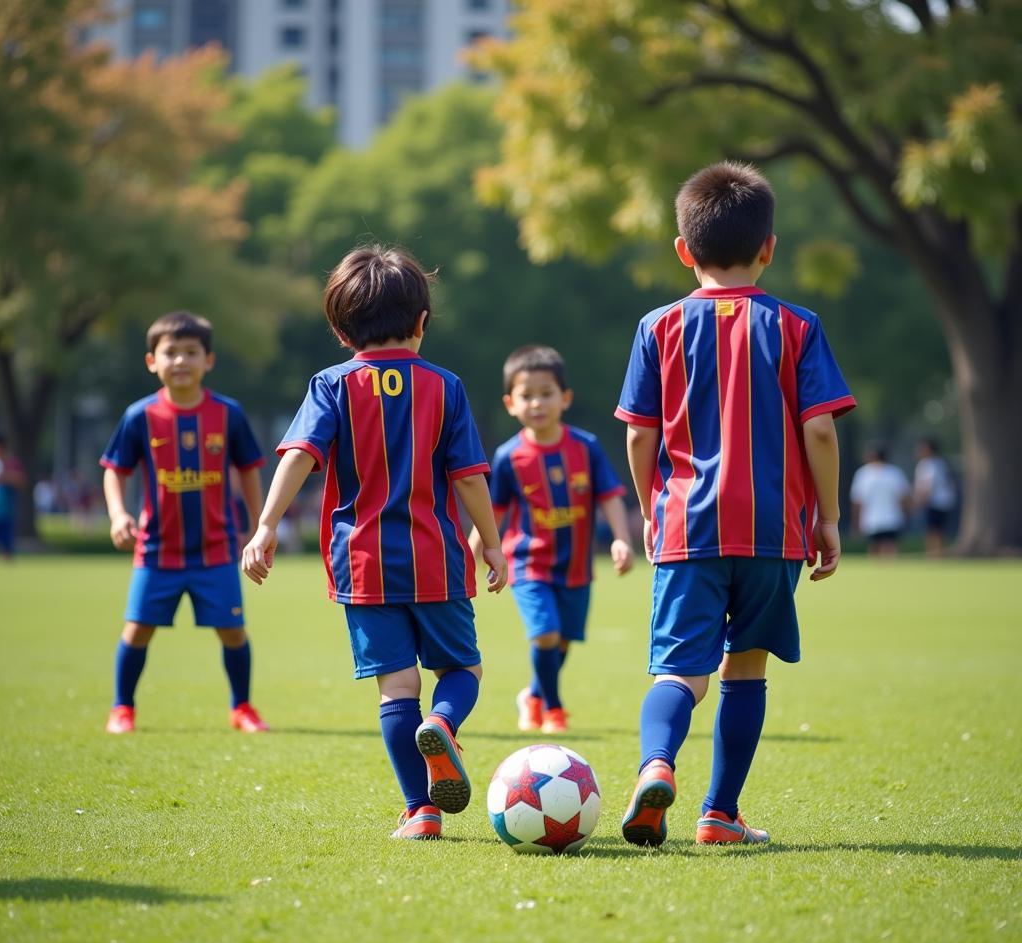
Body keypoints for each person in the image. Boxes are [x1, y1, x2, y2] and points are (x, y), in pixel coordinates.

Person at [614, 162, 856, 848]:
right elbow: (818, 427)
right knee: (745, 665)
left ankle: (657, 764)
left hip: (687, 525)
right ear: (769, 248)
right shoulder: (798, 325)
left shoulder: (656, 326)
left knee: (679, 670)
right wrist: (830, 519)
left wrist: (649, 507)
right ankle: (719, 814)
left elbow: (639, 432)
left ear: (684, 251)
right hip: (773, 530)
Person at [242, 244, 508, 841]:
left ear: (340, 329)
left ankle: (422, 812)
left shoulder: (331, 384)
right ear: (421, 322)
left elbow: (298, 457)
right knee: (463, 669)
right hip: (436, 558)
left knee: (396, 688)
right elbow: (468, 477)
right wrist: (490, 543)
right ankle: (443, 722)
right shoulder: (446, 387)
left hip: (361, 564)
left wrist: (264, 526)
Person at [100, 311, 268, 734]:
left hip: (216, 549)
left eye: (191, 352)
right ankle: (123, 709)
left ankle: (242, 708)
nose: (180, 361)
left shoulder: (229, 414)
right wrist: (118, 514)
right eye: (169, 352)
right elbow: (114, 470)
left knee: (232, 631)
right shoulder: (139, 416)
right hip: (157, 550)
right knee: (137, 630)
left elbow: (249, 469)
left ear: (208, 360)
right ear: (151, 361)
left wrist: (259, 524)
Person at [473, 345, 634, 734]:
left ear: (565, 398)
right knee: (544, 632)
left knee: (560, 642)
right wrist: (470, 555)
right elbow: (491, 511)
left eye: (546, 394)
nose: (537, 403)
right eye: (527, 395)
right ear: (511, 403)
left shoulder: (587, 447)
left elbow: (609, 495)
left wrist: (622, 539)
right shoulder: (509, 456)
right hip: (529, 564)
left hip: (577, 567)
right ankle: (554, 709)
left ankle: (533, 696)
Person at [850, 445, 911, 556]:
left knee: (874, 550)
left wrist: (855, 523)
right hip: (892, 519)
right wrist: (907, 516)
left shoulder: (863, 473)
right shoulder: (895, 473)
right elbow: (904, 499)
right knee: (890, 550)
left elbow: (857, 501)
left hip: (871, 520)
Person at [913, 437, 956, 556]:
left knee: (933, 530)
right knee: (938, 529)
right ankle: (937, 553)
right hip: (943, 501)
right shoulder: (940, 463)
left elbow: (928, 486)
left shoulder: (929, 464)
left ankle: (934, 554)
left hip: (934, 502)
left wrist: (919, 501)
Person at [0, 435, 25, 559]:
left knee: (7, 548)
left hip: (6, 511)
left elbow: (21, 480)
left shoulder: (11, 462)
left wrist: (5, 477)